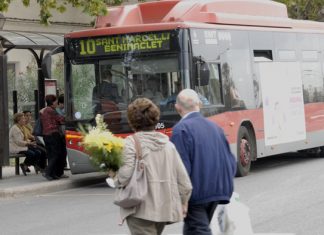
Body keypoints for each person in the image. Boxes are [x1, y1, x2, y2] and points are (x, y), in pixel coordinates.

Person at [114, 98, 192, 235]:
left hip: (140, 209)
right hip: (163, 209)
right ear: (155, 119)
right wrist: (183, 202)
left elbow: (124, 176)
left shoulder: (131, 143)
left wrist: (114, 176)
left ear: (132, 121)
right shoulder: (169, 145)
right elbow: (185, 184)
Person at [170, 89, 236, 235]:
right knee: (195, 229)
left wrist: (182, 199)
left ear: (177, 107)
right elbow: (230, 160)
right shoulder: (215, 127)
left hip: (196, 193)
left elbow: (181, 169)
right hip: (217, 190)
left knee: (198, 230)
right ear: (199, 104)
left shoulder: (181, 130)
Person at [40, 94, 67, 180]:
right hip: (53, 134)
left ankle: (52, 174)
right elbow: (61, 119)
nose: (56, 103)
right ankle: (47, 172)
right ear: (52, 102)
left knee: (51, 155)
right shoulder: (51, 110)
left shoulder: (45, 110)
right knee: (56, 154)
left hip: (46, 135)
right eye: (55, 101)